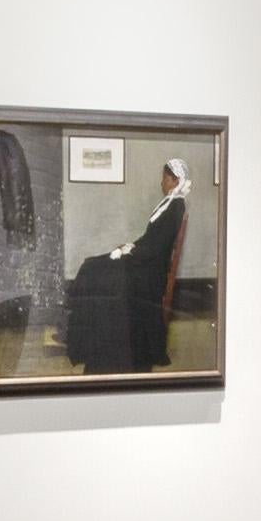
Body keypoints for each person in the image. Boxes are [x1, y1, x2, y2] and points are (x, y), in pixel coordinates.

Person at [59, 159, 192, 373]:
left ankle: (82, 334)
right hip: (146, 264)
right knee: (94, 266)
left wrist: (130, 251)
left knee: (94, 269)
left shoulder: (175, 205)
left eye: (165, 178)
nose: (161, 183)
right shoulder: (170, 204)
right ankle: (79, 329)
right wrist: (130, 246)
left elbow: (156, 247)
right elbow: (151, 239)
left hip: (149, 273)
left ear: (176, 180)